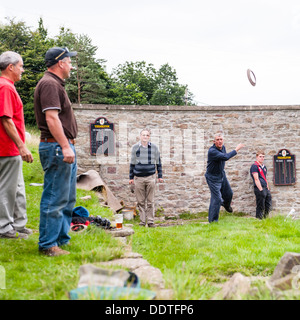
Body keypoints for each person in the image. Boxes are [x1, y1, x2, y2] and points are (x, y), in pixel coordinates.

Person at [34, 47, 78, 256]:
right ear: (60, 63)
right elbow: (51, 118)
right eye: (70, 61)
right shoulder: (50, 84)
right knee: (54, 197)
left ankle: (61, 239)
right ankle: (48, 245)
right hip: (56, 147)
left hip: (61, 145)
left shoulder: (55, 83)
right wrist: (65, 145)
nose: (72, 65)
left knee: (67, 198)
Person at [0, 51, 34, 239]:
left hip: (11, 149)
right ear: (10, 67)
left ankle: (18, 225)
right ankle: (4, 228)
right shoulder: (4, 87)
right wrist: (21, 146)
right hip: (6, 148)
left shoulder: (9, 86)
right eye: (20, 66)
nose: (22, 69)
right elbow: (6, 119)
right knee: (7, 189)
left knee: (18, 188)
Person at [205, 132, 244, 223]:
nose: (219, 141)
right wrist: (236, 149)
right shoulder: (212, 151)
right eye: (217, 140)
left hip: (221, 174)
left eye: (221, 139)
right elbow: (225, 157)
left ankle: (226, 205)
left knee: (229, 193)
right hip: (212, 177)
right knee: (217, 198)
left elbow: (222, 160)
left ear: (223, 140)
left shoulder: (223, 148)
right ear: (214, 141)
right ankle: (213, 221)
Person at [129, 129, 163, 227]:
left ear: (149, 137)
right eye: (143, 135)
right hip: (138, 178)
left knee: (151, 201)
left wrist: (160, 176)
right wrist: (131, 177)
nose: (145, 136)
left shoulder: (154, 148)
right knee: (140, 201)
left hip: (150, 177)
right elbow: (132, 163)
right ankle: (142, 222)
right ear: (140, 136)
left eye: (147, 135)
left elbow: (158, 162)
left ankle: (151, 221)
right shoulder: (135, 148)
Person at [250, 150, 272, 219]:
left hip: (265, 187)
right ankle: (259, 219)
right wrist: (261, 189)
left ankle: (265, 218)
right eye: (260, 156)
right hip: (259, 188)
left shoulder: (264, 167)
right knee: (260, 205)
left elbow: (264, 178)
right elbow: (256, 179)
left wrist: (267, 187)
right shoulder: (254, 166)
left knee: (268, 203)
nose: (262, 158)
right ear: (257, 157)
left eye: (263, 157)